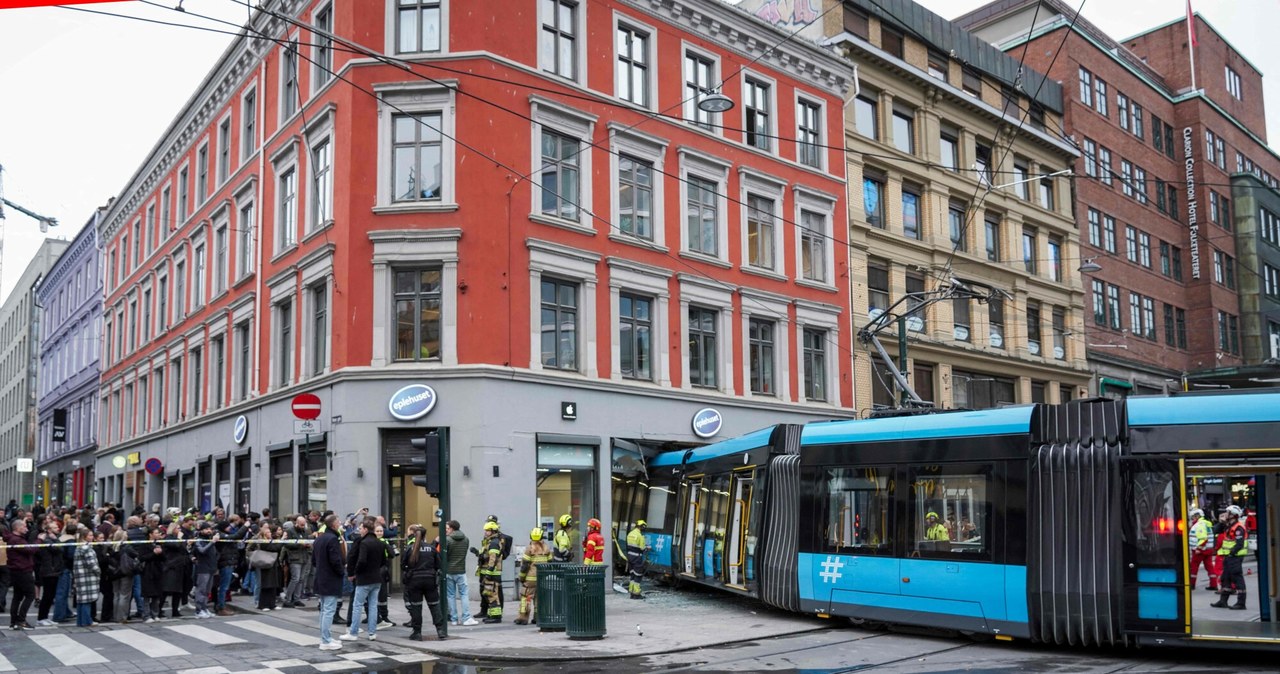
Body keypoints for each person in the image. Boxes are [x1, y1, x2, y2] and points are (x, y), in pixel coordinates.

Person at [401, 524, 447, 641]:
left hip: (414, 581)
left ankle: (417, 632)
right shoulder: (431, 548)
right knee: (434, 605)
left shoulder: (410, 548)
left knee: (416, 607)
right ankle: (440, 630)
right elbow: (438, 565)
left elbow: (403, 565)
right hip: (429, 580)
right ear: (425, 536)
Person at [341, 519, 383, 641]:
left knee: (357, 605)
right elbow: (383, 561)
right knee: (373, 605)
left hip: (364, 578)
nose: (359, 530)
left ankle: (353, 633)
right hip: (376, 577)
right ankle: (372, 633)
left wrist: (355, 572)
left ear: (365, 529)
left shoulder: (364, 543)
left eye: (361, 529)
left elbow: (362, 560)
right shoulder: (379, 542)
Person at [313, 514, 346, 651]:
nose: (339, 523)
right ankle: (325, 640)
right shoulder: (332, 539)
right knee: (328, 610)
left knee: (324, 609)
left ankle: (325, 637)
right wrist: (341, 572)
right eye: (338, 522)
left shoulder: (320, 539)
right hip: (330, 578)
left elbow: (314, 561)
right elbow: (335, 560)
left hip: (321, 577)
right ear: (333, 525)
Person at [1210, 505, 1250, 610]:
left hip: (1235, 557)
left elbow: (1239, 544)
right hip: (1228, 557)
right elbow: (1214, 530)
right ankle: (1223, 601)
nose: (1225, 514)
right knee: (1225, 578)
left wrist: (1232, 553)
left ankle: (1241, 603)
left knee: (1237, 578)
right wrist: (1221, 522)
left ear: (1233, 515)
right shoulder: (1228, 525)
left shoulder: (1238, 527)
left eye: (1228, 512)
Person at [5, 516, 36, 629]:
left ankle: (14, 621)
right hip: (23, 570)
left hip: (16, 570)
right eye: (23, 526)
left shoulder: (15, 539)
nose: (26, 528)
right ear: (17, 528)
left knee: (17, 597)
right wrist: (40, 540)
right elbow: (31, 550)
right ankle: (21, 620)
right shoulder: (16, 540)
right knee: (30, 595)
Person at [444, 520, 477, 626]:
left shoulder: (447, 540)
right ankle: (466, 617)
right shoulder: (466, 539)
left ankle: (454, 619)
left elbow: (445, 555)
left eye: (447, 528)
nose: (446, 530)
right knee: (464, 594)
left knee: (450, 595)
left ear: (452, 528)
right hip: (461, 571)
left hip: (449, 571)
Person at [515, 527, 551, 625]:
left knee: (526, 597)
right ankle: (537, 618)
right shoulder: (546, 548)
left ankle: (523, 618)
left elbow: (525, 566)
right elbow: (550, 562)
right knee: (539, 598)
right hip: (542, 578)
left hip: (530, 579)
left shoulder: (529, 549)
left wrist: (522, 577)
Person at [34, 519, 66, 626]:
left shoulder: (52, 539)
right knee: (47, 595)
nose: (58, 529)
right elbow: (59, 549)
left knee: (50, 595)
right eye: (55, 527)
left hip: (54, 570)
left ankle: (45, 616)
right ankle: (41, 617)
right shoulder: (47, 540)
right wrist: (56, 540)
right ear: (49, 530)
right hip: (49, 570)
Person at [138, 526, 167, 622]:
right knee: (147, 595)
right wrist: (154, 553)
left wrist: (161, 552)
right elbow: (142, 558)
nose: (158, 535)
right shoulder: (144, 544)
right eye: (156, 533)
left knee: (157, 594)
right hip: (147, 571)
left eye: (159, 533)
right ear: (150, 534)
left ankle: (155, 614)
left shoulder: (159, 544)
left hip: (158, 571)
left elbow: (164, 558)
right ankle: (146, 615)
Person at [476, 521, 504, 623]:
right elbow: (485, 555)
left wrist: (488, 572)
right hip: (491, 573)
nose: (485, 532)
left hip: (493, 574)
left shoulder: (494, 543)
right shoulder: (490, 542)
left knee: (493, 595)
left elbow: (493, 559)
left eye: (487, 530)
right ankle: (492, 615)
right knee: (489, 594)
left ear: (493, 531)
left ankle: (496, 617)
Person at [251, 526, 284, 611]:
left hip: (272, 563)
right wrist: (282, 540)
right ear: (264, 534)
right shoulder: (264, 542)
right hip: (266, 564)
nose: (270, 534)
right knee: (266, 584)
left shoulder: (271, 541)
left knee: (273, 584)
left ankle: (272, 604)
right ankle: (263, 604)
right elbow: (274, 548)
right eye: (268, 532)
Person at [71, 526, 99, 627]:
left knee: (81, 601)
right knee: (87, 600)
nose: (92, 537)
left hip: (79, 576)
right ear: (85, 536)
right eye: (90, 535)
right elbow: (92, 564)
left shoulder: (78, 547)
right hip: (88, 577)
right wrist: (98, 572)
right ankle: (87, 621)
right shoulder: (87, 548)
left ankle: (81, 621)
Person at [191, 522, 219, 619]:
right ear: (202, 530)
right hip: (203, 569)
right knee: (201, 590)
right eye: (206, 529)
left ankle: (204, 607)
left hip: (211, 568)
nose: (209, 531)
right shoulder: (199, 540)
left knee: (207, 591)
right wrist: (212, 542)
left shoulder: (209, 539)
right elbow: (202, 550)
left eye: (209, 529)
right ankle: (198, 610)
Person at [109, 529, 137, 624]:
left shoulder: (112, 547)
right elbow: (136, 555)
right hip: (125, 572)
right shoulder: (127, 547)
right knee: (124, 595)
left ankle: (116, 615)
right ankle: (122, 616)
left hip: (114, 573)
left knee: (116, 594)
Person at [1188, 508, 1218, 592]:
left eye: (1193, 517)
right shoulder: (1206, 524)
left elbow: (1203, 538)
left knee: (1193, 567)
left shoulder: (1199, 525)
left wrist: (1199, 549)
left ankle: (1192, 584)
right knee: (1209, 567)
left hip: (1200, 550)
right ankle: (1213, 584)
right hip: (1208, 550)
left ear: (1197, 516)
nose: (1192, 519)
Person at [375, 523, 398, 629]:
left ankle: (383, 616)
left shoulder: (385, 541)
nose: (379, 533)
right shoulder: (377, 542)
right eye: (377, 531)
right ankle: (378, 617)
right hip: (376, 570)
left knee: (382, 595)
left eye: (381, 531)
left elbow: (392, 554)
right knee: (376, 595)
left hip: (382, 570)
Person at [282, 517, 309, 608]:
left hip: (304, 557)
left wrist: (308, 544)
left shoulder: (304, 531)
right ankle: (287, 599)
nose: (303, 526)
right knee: (295, 579)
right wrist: (299, 544)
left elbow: (307, 540)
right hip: (295, 558)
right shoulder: (289, 531)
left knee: (301, 579)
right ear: (296, 523)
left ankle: (297, 599)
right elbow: (286, 544)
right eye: (301, 524)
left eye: (304, 524)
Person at [626, 519, 647, 599]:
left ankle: (631, 592)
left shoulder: (630, 534)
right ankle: (636, 594)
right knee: (638, 575)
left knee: (632, 575)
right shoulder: (640, 536)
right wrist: (647, 548)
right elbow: (642, 548)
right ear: (641, 527)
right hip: (637, 557)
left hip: (630, 557)